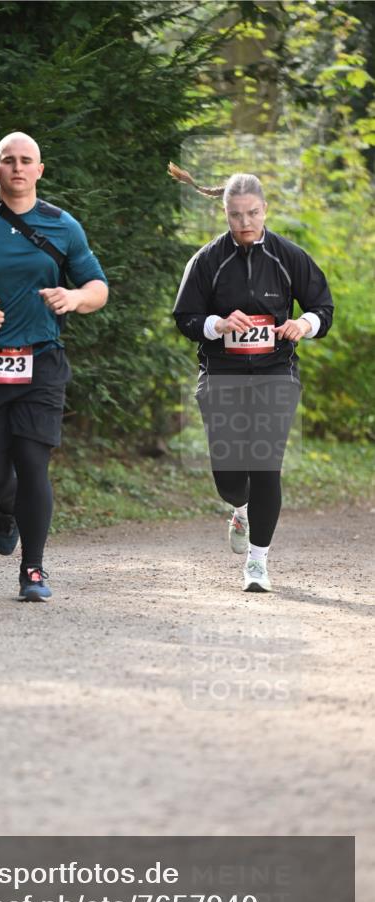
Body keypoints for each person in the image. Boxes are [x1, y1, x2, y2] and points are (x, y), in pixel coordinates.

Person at [0, 132, 108, 601]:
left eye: (25, 160)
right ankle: (6, 506)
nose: (16, 167)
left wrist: (74, 296)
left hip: (42, 363)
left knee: (34, 464)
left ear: (39, 170)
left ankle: (33, 569)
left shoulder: (62, 225)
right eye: (7, 161)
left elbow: (97, 286)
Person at [170, 162, 333, 592]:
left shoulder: (289, 256)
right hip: (221, 374)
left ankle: (258, 562)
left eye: (252, 214)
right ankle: (238, 508)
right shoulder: (207, 260)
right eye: (235, 215)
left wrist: (305, 324)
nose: (244, 223)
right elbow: (184, 318)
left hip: (275, 374)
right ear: (224, 213)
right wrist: (217, 325)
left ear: (264, 210)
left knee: (266, 467)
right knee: (229, 477)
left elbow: (323, 307)